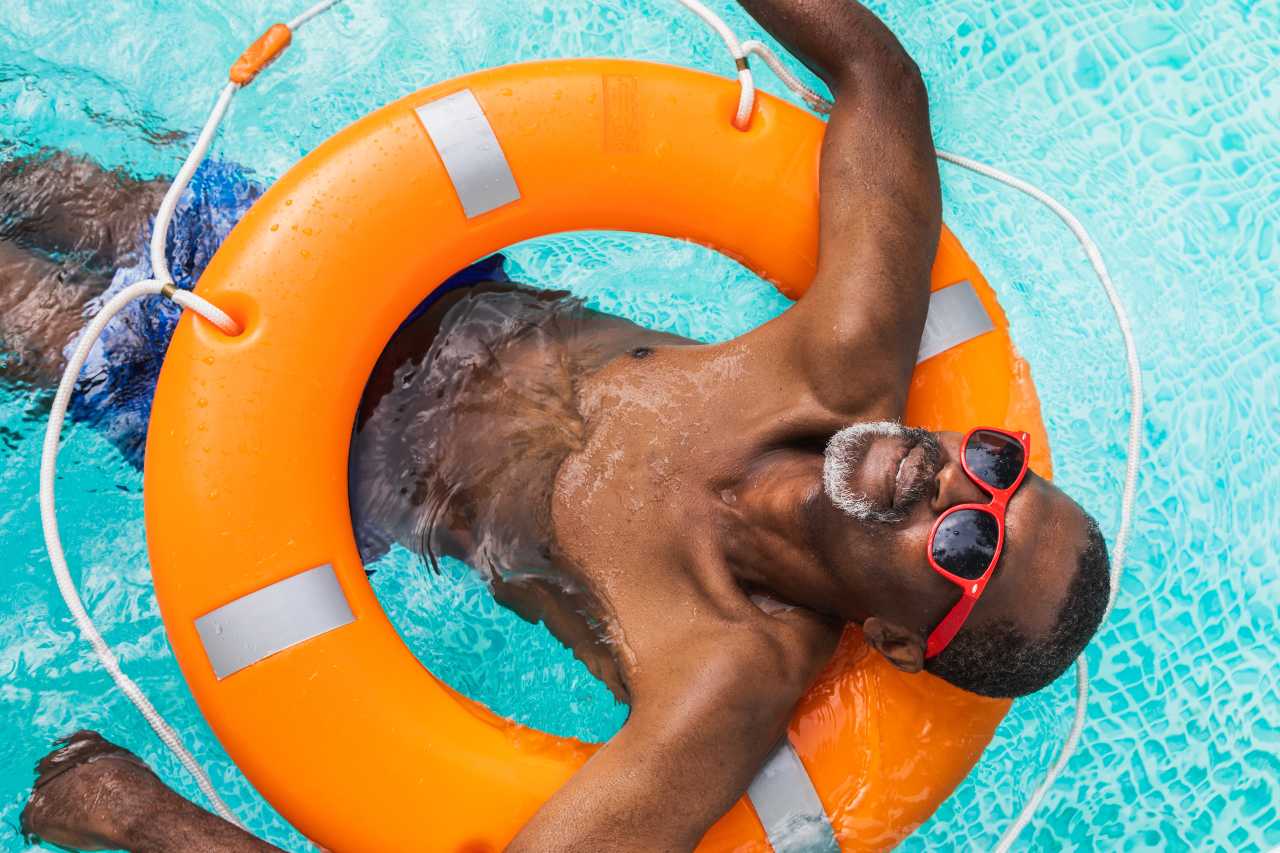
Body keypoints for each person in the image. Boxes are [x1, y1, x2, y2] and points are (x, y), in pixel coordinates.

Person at [14, 0, 1112, 850]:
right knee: (48, 185)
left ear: (893, 641)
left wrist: (139, 817)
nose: (949, 483)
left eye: (967, 544)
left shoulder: (721, 673)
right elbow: (882, 81)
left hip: (268, 447)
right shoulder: (841, 358)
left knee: (27, 317)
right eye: (996, 468)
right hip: (349, 277)